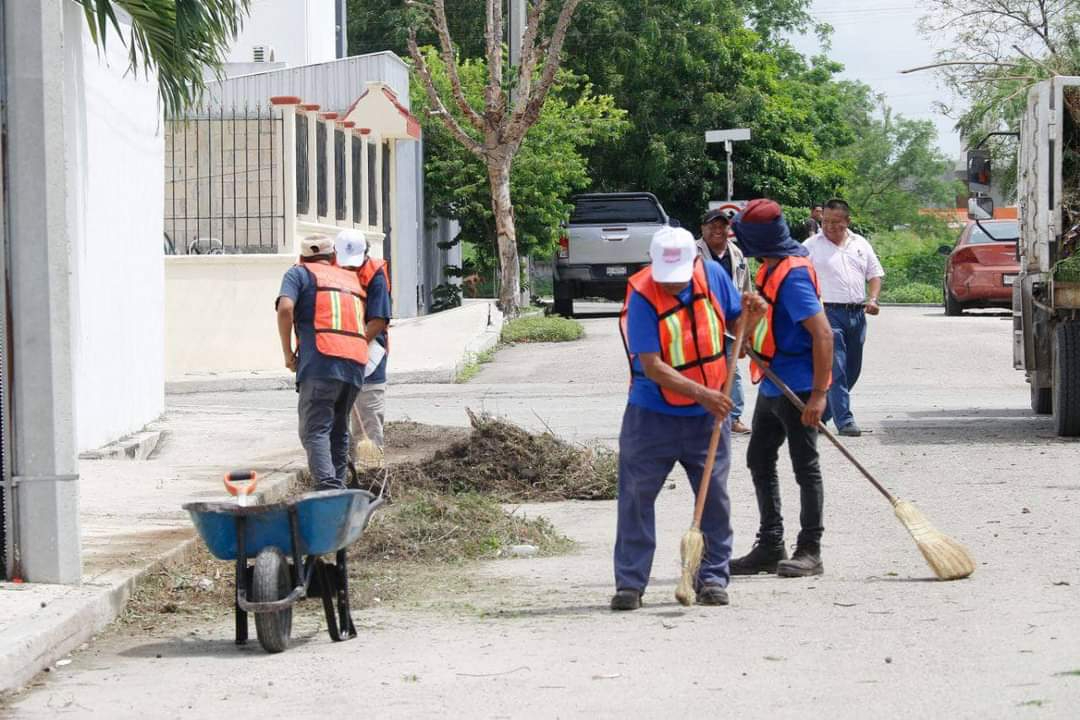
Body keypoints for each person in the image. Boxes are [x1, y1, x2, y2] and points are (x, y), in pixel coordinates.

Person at [612, 226, 766, 610]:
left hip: (706, 418)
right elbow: (652, 365)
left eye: (679, 278)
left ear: (693, 263)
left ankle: (712, 578)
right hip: (652, 415)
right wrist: (705, 394)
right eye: (667, 280)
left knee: (714, 498)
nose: (672, 286)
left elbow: (736, 328)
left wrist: (754, 317)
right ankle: (630, 584)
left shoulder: (712, 274)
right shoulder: (642, 293)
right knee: (635, 498)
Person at [728, 199, 834, 577]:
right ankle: (771, 545)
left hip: (800, 387)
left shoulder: (793, 277)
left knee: (805, 467)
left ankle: (810, 550)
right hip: (773, 384)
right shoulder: (770, 268)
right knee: (759, 458)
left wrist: (820, 394)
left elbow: (823, 334)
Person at [276, 235, 368, 491]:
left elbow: (285, 309)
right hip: (356, 362)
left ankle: (328, 490)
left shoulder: (299, 274)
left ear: (303, 257)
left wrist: (287, 354)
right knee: (339, 431)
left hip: (321, 361)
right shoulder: (349, 278)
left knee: (315, 430)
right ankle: (337, 492)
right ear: (333, 257)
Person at [803, 198, 884, 437]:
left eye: (835, 222)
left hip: (857, 314)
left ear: (847, 221)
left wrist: (874, 299)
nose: (829, 226)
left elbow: (875, 274)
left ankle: (822, 415)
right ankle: (845, 421)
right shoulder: (810, 246)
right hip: (827, 313)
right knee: (836, 368)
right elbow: (799, 276)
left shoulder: (860, 243)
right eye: (825, 221)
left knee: (852, 369)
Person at [334, 230, 392, 455]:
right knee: (338, 418)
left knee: (368, 417)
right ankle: (343, 474)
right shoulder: (331, 271)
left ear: (365, 254)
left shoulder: (374, 275)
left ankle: (372, 474)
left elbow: (377, 321)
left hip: (370, 353)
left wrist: (355, 346)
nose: (350, 268)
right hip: (337, 354)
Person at [698, 208, 752, 434]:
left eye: (722, 226)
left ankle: (734, 416)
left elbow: (746, 286)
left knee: (732, 370)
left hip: (730, 322)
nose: (718, 230)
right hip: (702, 321)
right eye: (713, 226)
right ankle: (704, 416)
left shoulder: (737, 253)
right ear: (703, 228)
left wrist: (747, 321)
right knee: (704, 369)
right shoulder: (693, 252)